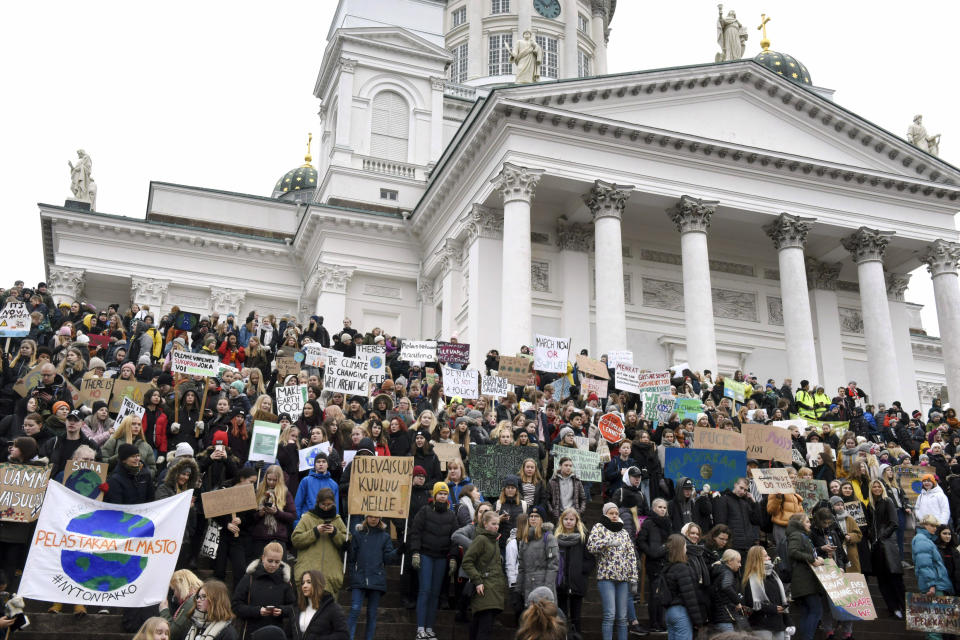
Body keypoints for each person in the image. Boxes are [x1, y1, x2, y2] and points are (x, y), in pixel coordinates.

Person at [409, 482, 458, 640]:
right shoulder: (425, 511)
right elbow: (415, 532)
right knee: (425, 591)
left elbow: (455, 539)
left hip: (442, 558)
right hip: (425, 555)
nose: (443, 496)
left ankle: (429, 628)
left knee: (435, 594)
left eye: (445, 494)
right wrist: (415, 552)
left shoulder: (451, 515)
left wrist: (453, 558)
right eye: (440, 493)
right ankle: (420, 628)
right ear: (435, 495)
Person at [587, 502, 639, 640]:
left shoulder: (623, 532)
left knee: (622, 617)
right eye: (611, 513)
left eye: (616, 513)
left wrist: (633, 578)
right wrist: (607, 543)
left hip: (623, 578)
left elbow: (631, 556)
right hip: (606, 577)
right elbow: (591, 546)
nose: (615, 516)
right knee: (610, 614)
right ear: (605, 514)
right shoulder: (599, 527)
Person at [346, 514, 397, 640]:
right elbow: (352, 559)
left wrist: (399, 551)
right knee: (355, 609)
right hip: (360, 577)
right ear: (366, 517)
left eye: (376, 516)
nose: (373, 519)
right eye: (370, 516)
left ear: (380, 518)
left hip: (376, 578)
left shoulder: (385, 537)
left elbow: (387, 558)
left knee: (372, 613)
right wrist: (353, 575)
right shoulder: (358, 535)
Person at [231, 542, 296, 640]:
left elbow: (294, 607)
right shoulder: (249, 578)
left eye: (277, 562)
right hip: (251, 633)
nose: (273, 565)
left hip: (276, 634)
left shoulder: (285, 581)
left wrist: (282, 611)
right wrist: (257, 611)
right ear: (262, 558)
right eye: (270, 561)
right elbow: (236, 606)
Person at [460, 510, 507, 640]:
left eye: (497, 524)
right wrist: (478, 581)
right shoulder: (481, 539)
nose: (496, 526)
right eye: (493, 523)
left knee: (478, 626)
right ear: (485, 524)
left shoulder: (494, 541)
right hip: (484, 588)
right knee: (484, 629)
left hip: (493, 589)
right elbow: (467, 561)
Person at [291, 488, 347, 595]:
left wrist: (335, 533)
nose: (326, 508)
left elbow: (346, 542)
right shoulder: (307, 518)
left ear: (334, 504)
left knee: (327, 611)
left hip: (330, 578)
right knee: (308, 611)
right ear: (317, 503)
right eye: (323, 504)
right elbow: (296, 540)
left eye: (329, 504)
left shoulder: (338, 520)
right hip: (308, 577)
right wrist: (315, 532)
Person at [866, 479, 904, 619]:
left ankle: (902, 606)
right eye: (874, 486)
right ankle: (892, 608)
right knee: (882, 581)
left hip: (887, 544)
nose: (877, 488)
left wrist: (882, 537)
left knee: (894, 578)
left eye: (878, 486)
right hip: (876, 548)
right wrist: (872, 537)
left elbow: (894, 523)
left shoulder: (887, 501)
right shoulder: (870, 505)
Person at [555, 507, 594, 637]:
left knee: (576, 616)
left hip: (577, 583)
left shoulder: (583, 538)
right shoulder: (556, 538)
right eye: (566, 519)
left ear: (576, 521)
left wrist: (580, 571)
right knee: (561, 615)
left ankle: (577, 636)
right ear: (562, 521)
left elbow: (590, 560)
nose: (569, 522)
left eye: (571, 519)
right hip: (561, 583)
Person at [786, 513, 823, 640]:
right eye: (807, 522)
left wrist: (816, 558)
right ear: (800, 523)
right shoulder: (797, 535)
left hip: (803, 581)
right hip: (805, 581)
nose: (810, 524)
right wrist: (812, 559)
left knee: (807, 612)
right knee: (816, 611)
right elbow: (793, 551)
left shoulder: (801, 535)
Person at [662, 533, 706, 640]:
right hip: (681, 613)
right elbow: (690, 596)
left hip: (669, 612)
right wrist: (698, 621)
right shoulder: (683, 568)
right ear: (680, 548)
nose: (686, 548)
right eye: (685, 545)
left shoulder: (667, 568)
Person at [741, 545, 789, 640]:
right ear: (758, 559)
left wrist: (788, 622)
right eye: (766, 556)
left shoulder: (774, 576)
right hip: (761, 624)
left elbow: (780, 599)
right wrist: (773, 608)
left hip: (778, 623)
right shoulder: (751, 579)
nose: (769, 558)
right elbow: (751, 603)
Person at [250, 464, 296, 559]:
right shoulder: (258, 491)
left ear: (279, 480)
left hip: (277, 537)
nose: (271, 482)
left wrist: (277, 513)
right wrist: (260, 514)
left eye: (274, 480)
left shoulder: (285, 493)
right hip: (260, 537)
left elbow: (292, 516)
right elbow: (250, 517)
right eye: (269, 479)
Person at [516, 505, 559, 604]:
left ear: (542, 519)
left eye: (537, 516)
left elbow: (553, 565)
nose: (533, 518)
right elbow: (521, 567)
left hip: (543, 586)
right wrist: (517, 590)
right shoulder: (524, 539)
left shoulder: (549, 538)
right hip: (527, 587)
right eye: (531, 516)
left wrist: (547, 589)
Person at [292, 570, 349, 640]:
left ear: (318, 583)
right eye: (302, 583)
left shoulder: (333, 608)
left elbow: (343, 635)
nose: (304, 586)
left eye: (309, 582)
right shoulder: (298, 608)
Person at [714, 477, 760, 560]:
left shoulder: (745, 502)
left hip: (747, 546)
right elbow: (720, 524)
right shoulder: (724, 499)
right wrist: (725, 543)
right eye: (741, 488)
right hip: (732, 546)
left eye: (745, 490)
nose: (742, 491)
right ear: (735, 485)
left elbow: (757, 520)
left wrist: (754, 502)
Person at [295, 452, 339, 525]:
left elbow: (335, 509)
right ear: (314, 465)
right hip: (307, 522)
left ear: (328, 465)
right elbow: (297, 505)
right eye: (318, 462)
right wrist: (297, 524)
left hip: (325, 522)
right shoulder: (305, 481)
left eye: (324, 461)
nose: (321, 464)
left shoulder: (334, 485)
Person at [158, 569, 202, 640]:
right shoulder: (196, 597)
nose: (174, 594)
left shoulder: (191, 601)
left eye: (175, 589)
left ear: (180, 586)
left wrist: (164, 610)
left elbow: (172, 632)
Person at [708, 549, 743, 635]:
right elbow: (726, 586)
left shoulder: (719, 571)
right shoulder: (727, 572)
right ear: (730, 561)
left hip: (717, 616)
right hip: (725, 617)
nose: (740, 565)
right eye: (738, 562)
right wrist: (737, 602)